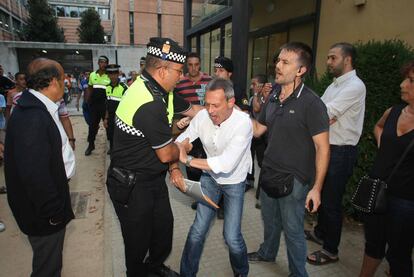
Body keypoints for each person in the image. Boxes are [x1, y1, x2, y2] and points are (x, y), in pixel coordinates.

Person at [107, 37, 201, 277]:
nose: (181, 77)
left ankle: (156, 267)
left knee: (162, 230)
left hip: (152, 180)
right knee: (137, 242)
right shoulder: (148, 101)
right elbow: (167, 153)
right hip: (131, 184)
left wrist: (221, 109)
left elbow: (192, 110)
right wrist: (181, 149)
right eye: (179, 71)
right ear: (162, 70)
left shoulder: (161, 90)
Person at [248, 42, 330, 277]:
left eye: (285, 62)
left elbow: (323, 148)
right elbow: (258, 129)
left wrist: (316, 188)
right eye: (278, 60)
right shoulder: (273, 94)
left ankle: (298, 273)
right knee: (270, 220)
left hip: (295, 178)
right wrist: (230, 115)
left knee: (293, 228)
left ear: (301, 70)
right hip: (270, 170)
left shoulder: (313, 103)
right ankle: (267, 252)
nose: (278, 65)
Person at [4, 58, 75, 277]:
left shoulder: (37, 106)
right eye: (64, 79)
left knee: (51, 261)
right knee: (47, 267)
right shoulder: (32, 117)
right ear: (53, 81)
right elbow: (34, 175)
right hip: (43, 212)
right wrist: (53, 212)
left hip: (48, 202)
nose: (67, 83)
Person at [175, 78, 252, 277]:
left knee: (232, 237)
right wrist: (184, 146)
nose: (210, 110)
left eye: (216, 105)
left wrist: (188, 160)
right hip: (209, 180)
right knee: (197, 230)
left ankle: (241, 272)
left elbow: (225, 164)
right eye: (207, 104)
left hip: (234, 181)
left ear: (231, 102)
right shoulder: (203, 116)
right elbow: (184, 140)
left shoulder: (243, 123)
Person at [306, 42, 366, 265]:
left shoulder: (355, 86)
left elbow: (324, 113)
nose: (328, 62)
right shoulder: (334, 85)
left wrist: (322, 117)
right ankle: (320, 233)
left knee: (331, 202)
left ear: (347, 59)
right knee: (321, 194)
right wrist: (322, 117)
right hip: (327, 148)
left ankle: (331, 250)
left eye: (333, 58)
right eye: (328, 57)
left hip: (341, 152)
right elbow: (322, 113)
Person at [358, 60, 414, 277]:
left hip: (407, 201)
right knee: (373, 243)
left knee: (399, 254)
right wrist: (385, 146)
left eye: (411, 81)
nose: (402, 84)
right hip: (378, 190)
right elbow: (378, 126)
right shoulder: (393, 111)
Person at [173, 52, 212, 209]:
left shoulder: (209, 80)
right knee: (190, 164)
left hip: (208, 128)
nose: (193, 68)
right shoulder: (180, 83)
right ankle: (198, 196)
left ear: (200, 64)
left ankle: (213, 196)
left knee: (207, 162)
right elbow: (175, 107)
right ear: (186, 65)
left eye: (196, 64)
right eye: (190, 64)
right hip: (189, 131)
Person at [85, 56, 111, 156]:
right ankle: (91, 145)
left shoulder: (109, 75)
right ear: (98, 63)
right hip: (94, 105)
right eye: (101, 62)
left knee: (108, 126)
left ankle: (111, 146)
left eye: (105, 62)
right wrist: (87, 101)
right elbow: (90, 88)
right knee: (92, 126)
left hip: (105, 106)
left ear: (107, 64)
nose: (103, 64)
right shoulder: (92, 75)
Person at [104, 64, 128, 154]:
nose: (112, 76)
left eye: (114, 73)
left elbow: (127, 105)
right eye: (110, 73)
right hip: (110, 117)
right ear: (108, 75)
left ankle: (119, 151)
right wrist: (106, 118)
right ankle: (112, 148)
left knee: (120, 136)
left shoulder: (124, 88)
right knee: (110, 134)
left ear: (118, 74)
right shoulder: (107, 88)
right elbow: (107, 104)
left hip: (120, 118)